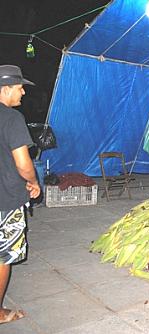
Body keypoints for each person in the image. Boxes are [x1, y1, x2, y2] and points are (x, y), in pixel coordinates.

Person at [0, 65, 40, 324]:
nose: (23, 92)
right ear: (5, 89)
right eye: (19, 87)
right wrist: (34, 182)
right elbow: (23, 164)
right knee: (3, 255)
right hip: (5, 199)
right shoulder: (11, 119)